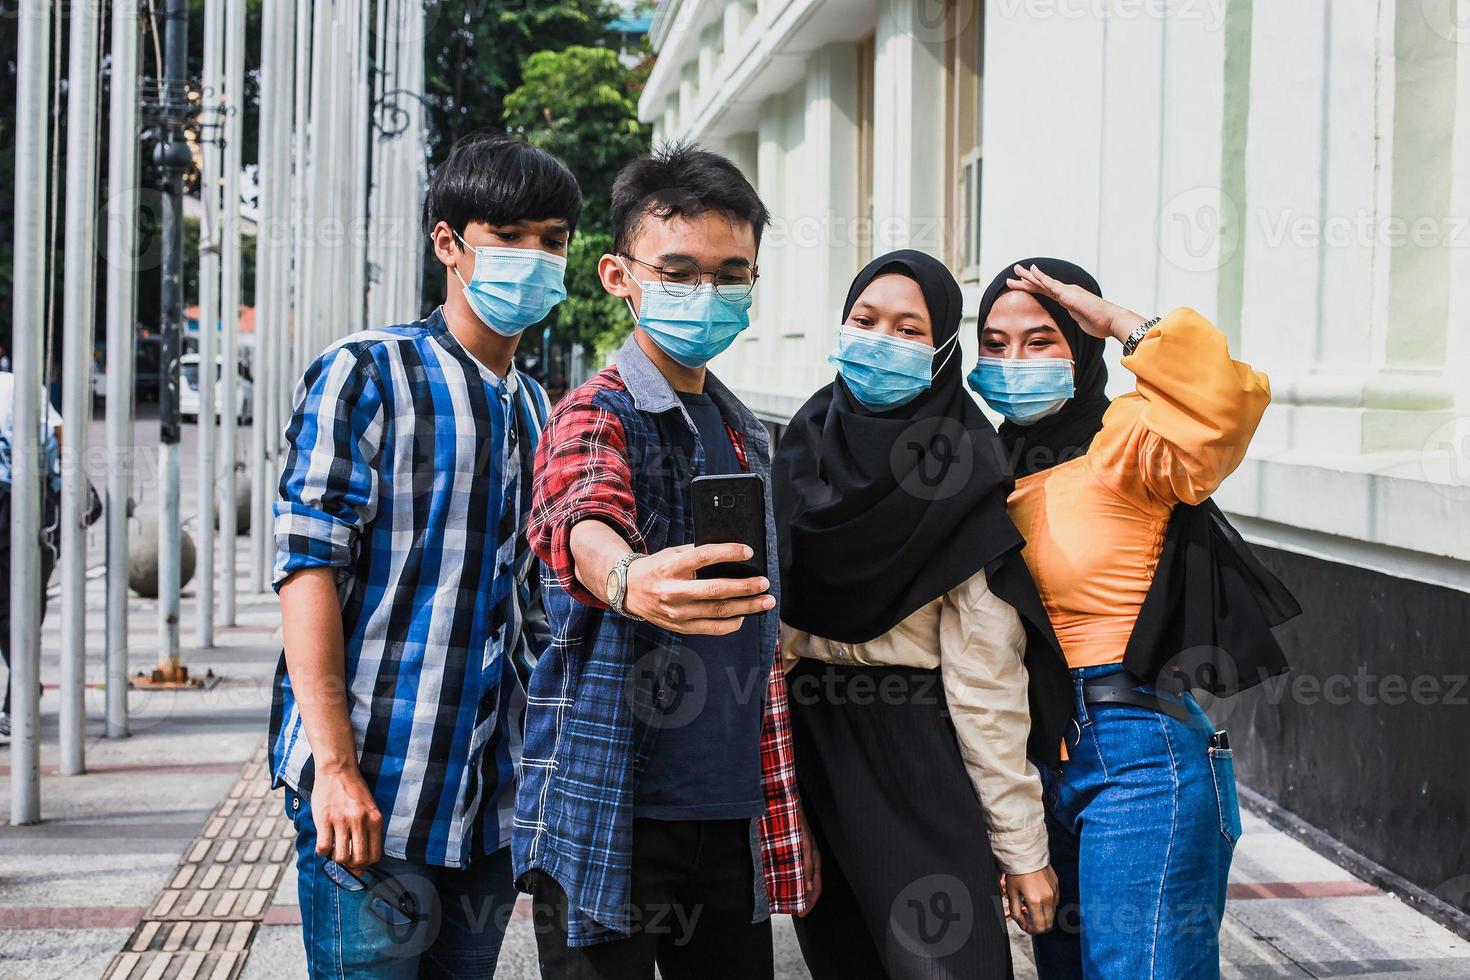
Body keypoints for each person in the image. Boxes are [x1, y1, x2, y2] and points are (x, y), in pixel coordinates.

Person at [270, 133, 577, 977]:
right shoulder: (365, 372)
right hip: (373, 802)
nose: (536, 259)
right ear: (448, 242)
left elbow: (529, 604)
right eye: (510, 237)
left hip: (486, 807)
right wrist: (332, 768)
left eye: (553, 240)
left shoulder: (535, 406)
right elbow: (307, 570)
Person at [516, 143, 819, 978]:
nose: (707, 294)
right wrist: (624, 577)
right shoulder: (597, 410)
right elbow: (579, 508)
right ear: (619, 275)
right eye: (679, 270)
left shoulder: (745, 428)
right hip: (611, 807)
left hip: (728, 815)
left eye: (731, 274)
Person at [969, 258, 1295, 979]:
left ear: (1080, 349)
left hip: (1137, 753)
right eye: (994, 343)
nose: (1013, 361)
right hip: (1033, 757)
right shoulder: (985, 464)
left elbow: (1226, 402)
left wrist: (1117, 320)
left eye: (1041, 340)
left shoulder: (1127, 444)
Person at [772, 250, 1074, 978]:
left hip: (915, 748)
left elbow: (987, 685)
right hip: (810, 751)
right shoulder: (802, 446)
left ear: (943, 351)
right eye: (865, 321)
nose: (882, 342)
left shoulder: (964, 471)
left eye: (911, 330)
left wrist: (1022, 852)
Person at [0, 371, 62, 745]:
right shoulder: (17, 386)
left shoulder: (15, 385)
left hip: (21, 509)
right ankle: (21, 690)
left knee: (17, 611)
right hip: (25, 506)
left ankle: (17, 698)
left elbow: (56, 435)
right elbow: (57, 437)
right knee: (19, 611)